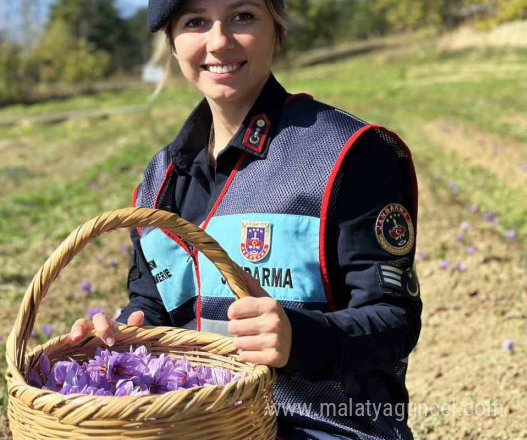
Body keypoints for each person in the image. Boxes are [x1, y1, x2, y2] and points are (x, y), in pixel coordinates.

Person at [69, 0, 422, 439]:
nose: (218, 41)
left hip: (326, 425)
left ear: (277, 28)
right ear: (173, 44)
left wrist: (299, 338)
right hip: (199, 423)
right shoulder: (160, 178)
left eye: (243, 16)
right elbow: (154, 303)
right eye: (195, 22)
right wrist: (122, 336)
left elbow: (394, 319)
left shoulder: (351, 155)